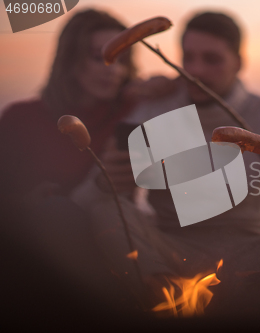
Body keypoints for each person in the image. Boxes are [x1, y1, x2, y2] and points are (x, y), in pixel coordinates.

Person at [71, 11, 260, 281]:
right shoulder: (155, 110)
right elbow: (89, 199)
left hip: (257, 254)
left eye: (212, 59)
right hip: (173, 252)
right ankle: (160, 298)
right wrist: (105, 180)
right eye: (188, 58)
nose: (197, 70)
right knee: (106, 204)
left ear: (239, 62)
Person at [0, 9, 175, 322]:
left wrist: (165, 85)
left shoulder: (131, 111)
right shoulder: (19, 118)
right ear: (70, 60)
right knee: (53, 213)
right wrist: (25, 205)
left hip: (110, 245)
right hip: (34, 253)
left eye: (122, 59)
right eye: (99, 57)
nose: (113, 70)